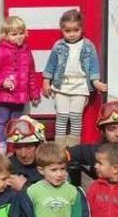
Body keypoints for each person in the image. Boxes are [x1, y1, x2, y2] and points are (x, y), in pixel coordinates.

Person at [41, 9, 107, 147]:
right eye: (67, 31)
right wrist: (46, 81)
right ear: (62, 30)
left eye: (76, 30)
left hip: (80, 87)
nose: (72, 34)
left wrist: (96, 82)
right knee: (62, 117)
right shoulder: (58, 46)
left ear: (81, 28)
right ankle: (59, 147)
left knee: (76, 117)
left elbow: (94, 66)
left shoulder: (88, 46)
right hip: (61, 86)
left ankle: (73, 148)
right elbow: (51, 64)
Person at [0, 16, 41, 154]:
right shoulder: (2, 50)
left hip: (20, 96)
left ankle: (14, 145)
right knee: (2, 121)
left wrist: (34, 93)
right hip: (4, 95)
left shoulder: (26, 50)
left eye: (21, 33)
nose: (18, 37)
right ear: (6, 35)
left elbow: (31, 73)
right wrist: (2, 82)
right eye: (14, 34)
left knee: (16, 122)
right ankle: (1, 144)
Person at [4, 116, 46, 191]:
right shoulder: (5, 166)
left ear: (39, 146)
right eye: (18, 147)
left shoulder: (51, 166)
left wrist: (24, 187)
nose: (23, 154)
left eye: (28, 147)